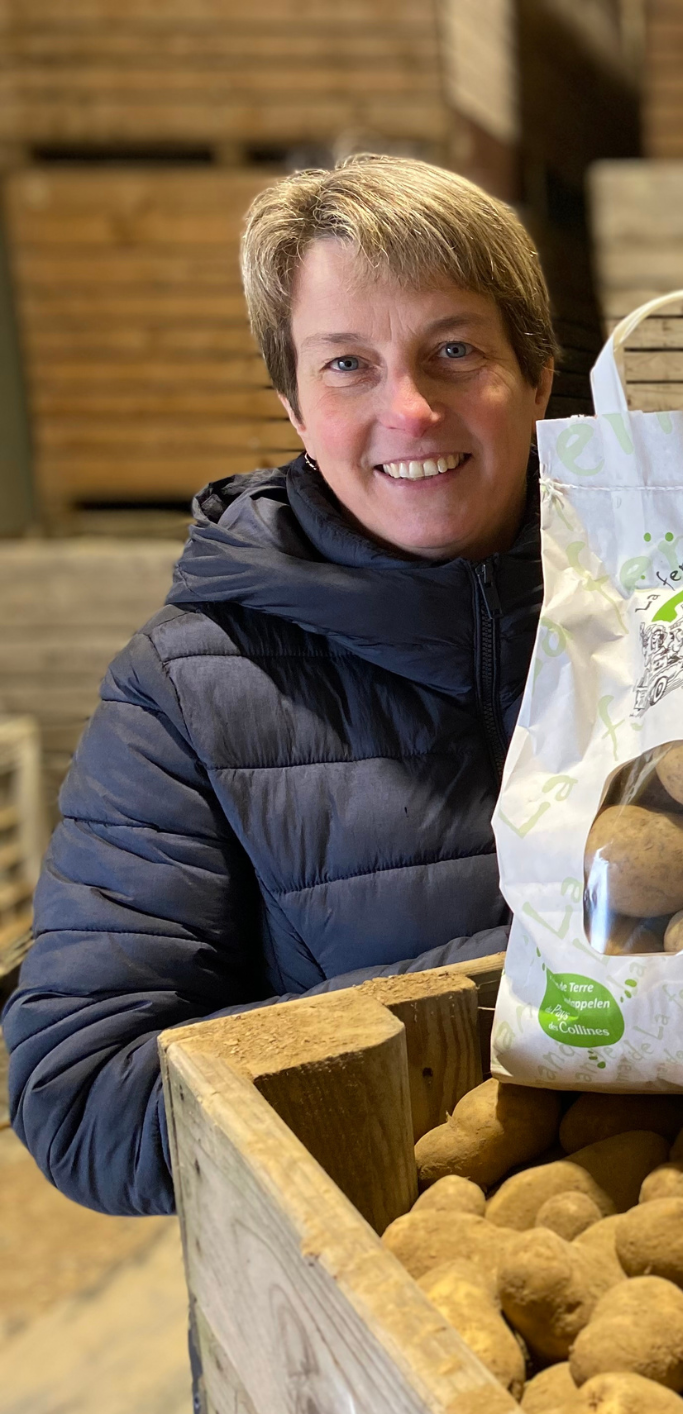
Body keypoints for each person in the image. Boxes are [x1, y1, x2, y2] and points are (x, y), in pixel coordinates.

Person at [2, 155, 555, 1216]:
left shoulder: (675, 608)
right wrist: (524, 983)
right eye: (348, 364)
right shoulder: (187, 692)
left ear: (534, 376)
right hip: (389, 1283)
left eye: (453, 348)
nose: (410, 408)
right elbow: (85, 1098)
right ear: (295, 410)